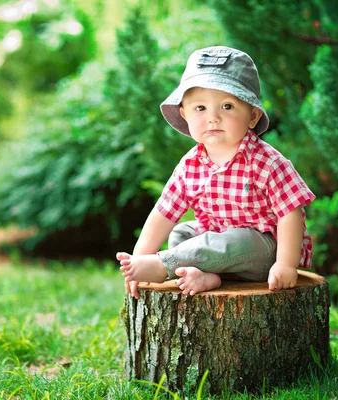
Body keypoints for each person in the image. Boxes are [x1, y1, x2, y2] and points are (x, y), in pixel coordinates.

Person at [117, 46, 316, 299]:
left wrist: (285, 263)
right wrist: (140, 258)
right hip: (216, 248)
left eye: (227, 106)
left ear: (253, 116)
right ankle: (200, 275)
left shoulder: (266, 161)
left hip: (263, 251)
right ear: (184, 114)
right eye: (200, 108)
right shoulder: (190, 165)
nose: (213, 118)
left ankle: (164, 266)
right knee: (183, 232)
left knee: (237, 239)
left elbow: (291, 212)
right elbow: (163, 214)